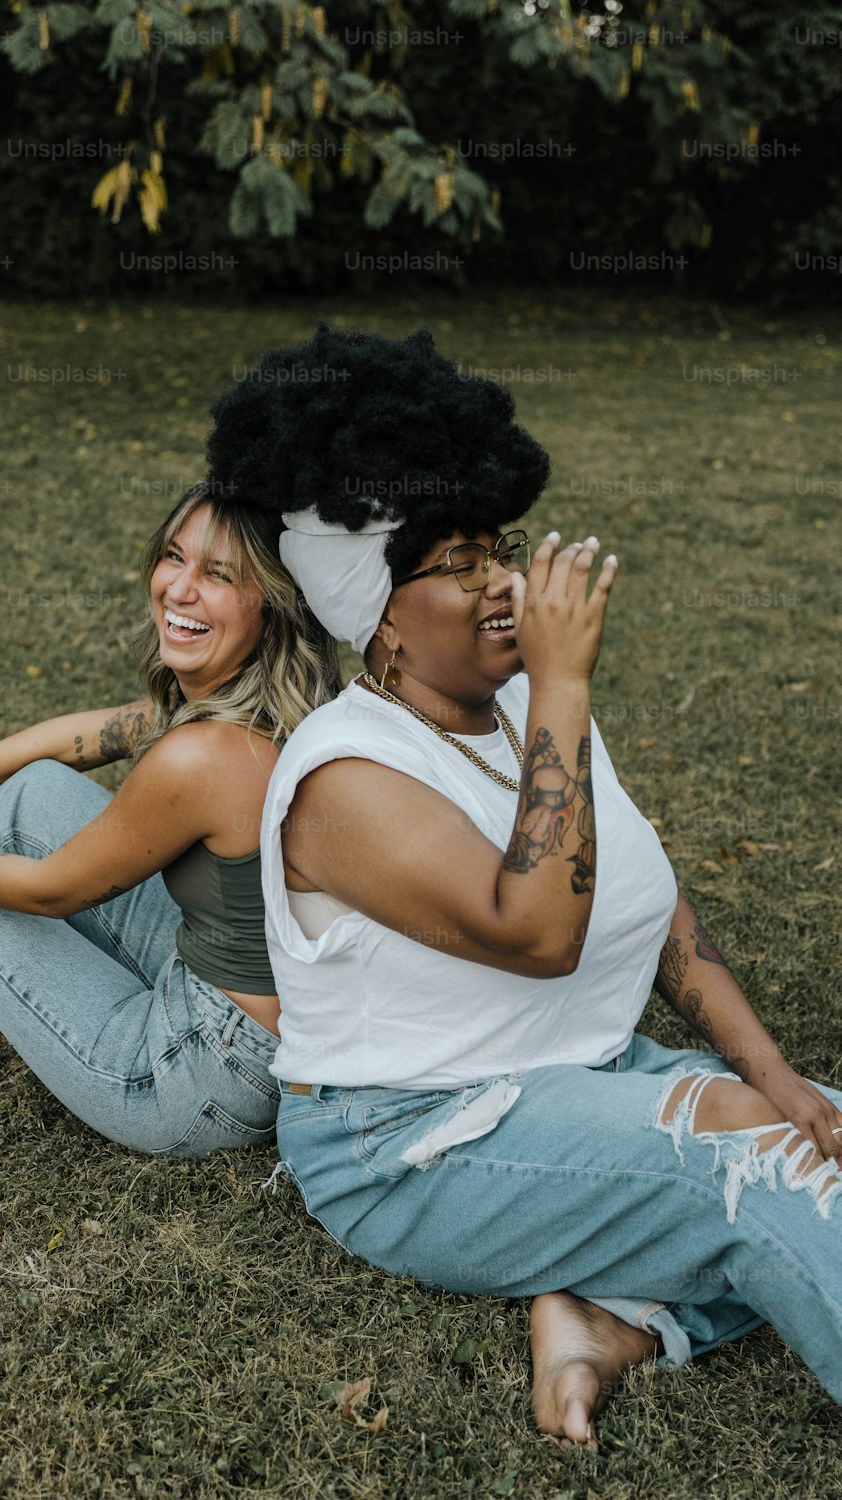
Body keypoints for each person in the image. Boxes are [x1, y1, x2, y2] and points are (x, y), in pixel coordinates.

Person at [203, 324, 842, 1447]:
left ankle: (611, 1319)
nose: (501, 580)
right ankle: (621, 1285)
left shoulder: (515, 716)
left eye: (499, 546)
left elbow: (648, 906)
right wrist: (563, 686)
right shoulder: (345, 777)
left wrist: (775, 1068)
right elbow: (540, 929)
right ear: (379, 616)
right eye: (457, 564)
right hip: (409, 1141)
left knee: (816, 1129)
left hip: (562, 1073)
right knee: (752, 1161)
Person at [0, 482, 342, 1157]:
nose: (180, 589)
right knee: (37, 791)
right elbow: (103, 730)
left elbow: (53, 892)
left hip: (200, 1079)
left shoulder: (207, 756)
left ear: (273, 604)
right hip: (247, 1006)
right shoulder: (264, 704)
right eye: (174, 557)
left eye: (219, 575)